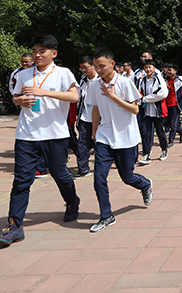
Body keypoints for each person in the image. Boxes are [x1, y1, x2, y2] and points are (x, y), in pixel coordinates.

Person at [0, 35, 79, 246]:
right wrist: (20, 101)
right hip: (26, 134)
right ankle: (15, 226)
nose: (37, 54)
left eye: (42, 51)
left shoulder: (63, 73)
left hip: (55, 134)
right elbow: (15, 97)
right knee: (21, 180)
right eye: (34, 50)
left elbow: (74, 97)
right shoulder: (23, 74)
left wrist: (43, 92)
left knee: (60, 174)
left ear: (54, 53)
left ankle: (72, 202)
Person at [87, 48, 154, 232]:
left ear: (112, 64)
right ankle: (106, 216)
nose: (98, 69)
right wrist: (94, 133)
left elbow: (135, 109)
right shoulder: (94, 85)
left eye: (102, 65)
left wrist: (113, 97)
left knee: (127, 177)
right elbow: (95, 109)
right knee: (99, 177)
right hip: (104, 137)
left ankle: (146, 184)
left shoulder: (124, 83)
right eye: (95, 66)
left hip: (126, 137)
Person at [136, 59, 169, 164]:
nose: (148, 69)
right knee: (145, 132)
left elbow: (163, 94)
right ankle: (146, 154)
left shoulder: (159, 79)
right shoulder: (142, 80)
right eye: (146, 67)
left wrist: (146, 99)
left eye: (150, 67)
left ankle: (164, 149)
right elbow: (139, 93)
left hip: (157, 111)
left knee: (160, 132)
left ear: (154, 68)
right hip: (146, 111)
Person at [73, 56, 98, 179]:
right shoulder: (83, 79)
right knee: (82, 144)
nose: (83, 70)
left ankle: (101, 167)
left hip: (99, 119)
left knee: (100, 143)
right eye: (81, 68)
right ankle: (83, 169)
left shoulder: (101, 79)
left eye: (85, 67)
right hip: (84, 117)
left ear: (93, 66)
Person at [165, 63, 182, 145]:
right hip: (166, 104)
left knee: (173, 123)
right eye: (167, 70)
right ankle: (181, 132)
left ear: (175, 71)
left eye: (170, 70)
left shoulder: (180, 79)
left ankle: (171, 141)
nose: (168, 72)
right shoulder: (164, 79)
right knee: (167, 123)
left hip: (176, 104)